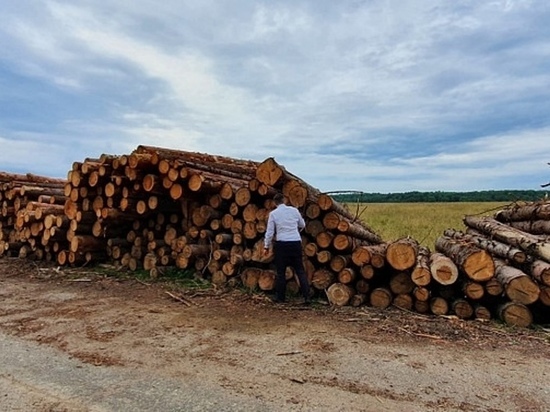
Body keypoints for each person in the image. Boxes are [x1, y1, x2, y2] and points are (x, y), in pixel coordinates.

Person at [263, 193, 311, 304]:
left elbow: (270, 232)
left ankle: (281, 298)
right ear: (284, 200)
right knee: (300, 270)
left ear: (275, 203)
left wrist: (266, 246)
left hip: (282, 244)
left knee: (281, 272)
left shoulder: (273, 214)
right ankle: (307, 297)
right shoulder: (294, 211)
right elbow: (302, 225)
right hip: (295, 242)